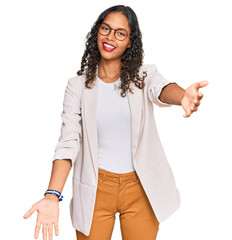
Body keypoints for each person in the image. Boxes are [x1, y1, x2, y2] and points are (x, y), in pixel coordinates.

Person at [23, 4, 208, 240]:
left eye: (120, 33)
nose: (110, 37)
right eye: (105, 29)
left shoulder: (143, 75)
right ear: (96, 32)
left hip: (140, 187)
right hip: (95, 188)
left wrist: (182, 96)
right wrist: (52, 195)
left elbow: (160, 89)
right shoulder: (76, 87)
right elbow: (68, 142)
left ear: (130, 42)